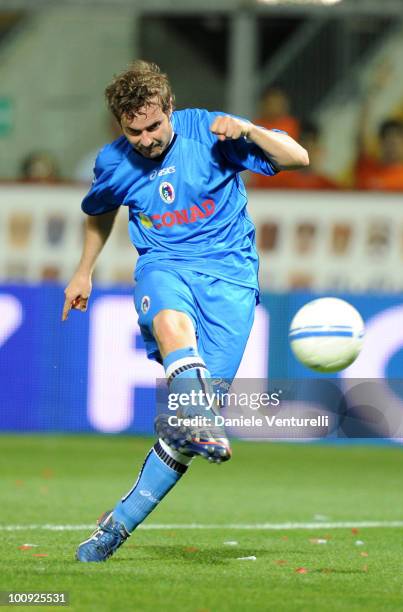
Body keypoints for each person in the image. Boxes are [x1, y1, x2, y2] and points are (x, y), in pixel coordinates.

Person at [62, 60, 308, 563]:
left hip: (232, 283)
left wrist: (251, 129)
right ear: (120, 127)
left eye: (154, 126)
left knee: (182, 434)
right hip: (165, 266)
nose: (147, 139)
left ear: (170, 109)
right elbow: (100, 210)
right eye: (135, 132)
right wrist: (84, 270)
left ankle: (118, 524)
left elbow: (298, 156)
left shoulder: (212, 132)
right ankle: (198, 413)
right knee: (170, 321)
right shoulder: (114, 163)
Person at [256, 122, 338, 190]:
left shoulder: (331, 188)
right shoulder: (277, 185)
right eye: (303, 144)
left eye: (311, 144)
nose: (307, 150)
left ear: (319, 149)